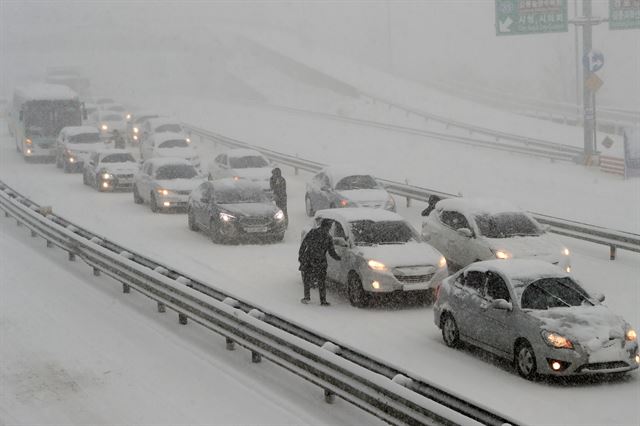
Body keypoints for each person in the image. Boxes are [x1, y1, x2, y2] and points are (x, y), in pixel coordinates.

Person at [298, 219, 341, 306]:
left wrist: (301, 256)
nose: (329, 229)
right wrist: (339, 258)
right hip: (320, 261)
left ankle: (307, 297)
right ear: (326, 226)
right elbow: (331, 252)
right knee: (321, 281)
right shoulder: (328, 237)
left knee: (307, 279)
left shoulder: (313, 232)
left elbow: (304, 245)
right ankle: (323, 300)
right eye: (329, 227)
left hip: (309, 259)